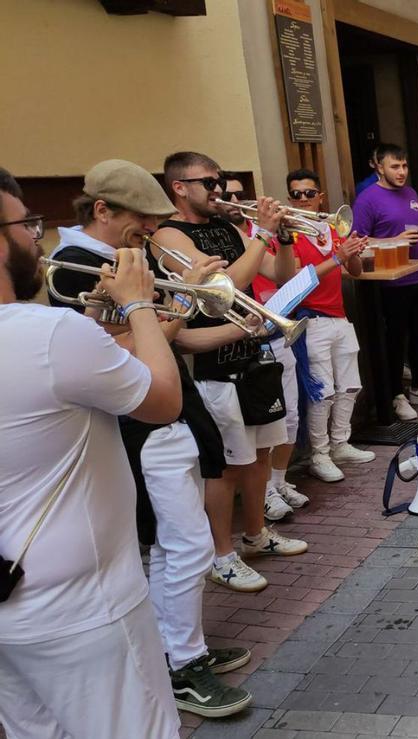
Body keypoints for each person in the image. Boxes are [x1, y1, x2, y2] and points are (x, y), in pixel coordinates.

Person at [45, 161, 255, 716]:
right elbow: (116, 353)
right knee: (185, 545)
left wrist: (232, 318)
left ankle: (183, 648)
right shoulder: (72, 269)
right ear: (101, 211)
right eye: (141, 220)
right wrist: (178, 301)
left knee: (176, 545)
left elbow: (167, 341)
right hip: (140, 424)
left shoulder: (126, 259)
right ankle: (182, 666)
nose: (150, 231)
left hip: (167, 414)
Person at [0, 168, 184, 737]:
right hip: (84, 609)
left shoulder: (54, 335)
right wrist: (138, 304)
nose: (37, 236)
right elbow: (162, 400)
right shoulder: (45, 333)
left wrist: (96, 319)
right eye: (24, 223)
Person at [152, 151, 309, 593]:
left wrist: (288, 237)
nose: (218, 190)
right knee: (224, 468)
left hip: (251, 354)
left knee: (260, 454)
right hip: (211, 366)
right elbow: (225, 288)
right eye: (209, 182)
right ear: (180, 187)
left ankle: (257, 535)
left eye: (220, 181)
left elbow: (276, 274)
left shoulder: (226, 227)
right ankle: (222, 555)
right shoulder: (169, 236)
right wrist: (260, 230)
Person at [277, 169, 375, 483]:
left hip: (338, 315)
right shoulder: (288, 235)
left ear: (321, 196)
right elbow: (293, 280)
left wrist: (353, 251)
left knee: (349, 385)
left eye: (309, 193)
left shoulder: (333, 228)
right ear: (290, 198)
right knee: (322, 392)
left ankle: (340, 444)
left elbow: (356, 271)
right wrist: (337, 257)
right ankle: (318, 454)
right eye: (296, 194)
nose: (303, 199)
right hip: (311, 317)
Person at [351, 143, 418, 421]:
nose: (401, 171)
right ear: (379, 166)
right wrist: (393, 242)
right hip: (392, 282)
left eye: (404, 165)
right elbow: (357, 241)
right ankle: (397, 395)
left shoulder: (411, 193)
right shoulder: (368, 199)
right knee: (395, 340)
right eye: (395, 166)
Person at [231, 174, 305, 519]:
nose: (229, 201)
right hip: (245, 341)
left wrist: (285, 238)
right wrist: (263, 232)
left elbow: (283, 275)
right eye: (224, 195)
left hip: (276, 332)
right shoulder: (244, 237)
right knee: (261, 427)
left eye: (235, 195)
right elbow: (236, 283)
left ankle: (278, 482)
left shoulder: (254, 235)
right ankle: (263, 494)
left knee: (289, 416)